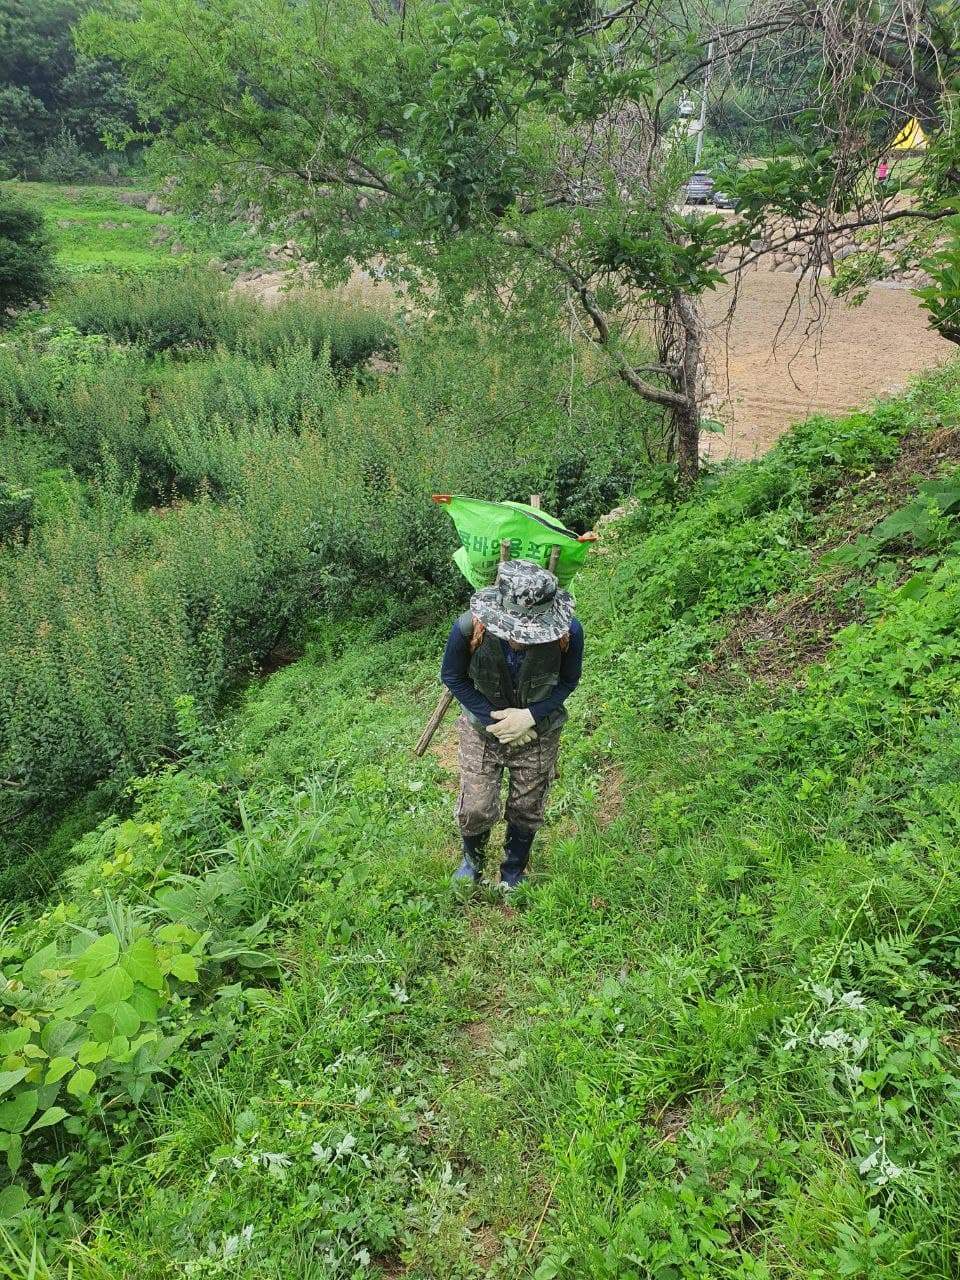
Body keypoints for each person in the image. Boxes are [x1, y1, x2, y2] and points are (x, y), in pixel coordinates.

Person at [440, 559, 585, 890]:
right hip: (482, 729)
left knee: (527, 806)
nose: (522, 640)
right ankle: (472, 863)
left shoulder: (570, 632)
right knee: (476, 806)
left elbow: (568, 681)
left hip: (539, 731)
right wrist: (496, 720)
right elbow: (452, 676)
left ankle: (513, 871)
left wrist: (529, 717)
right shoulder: (469, 627)